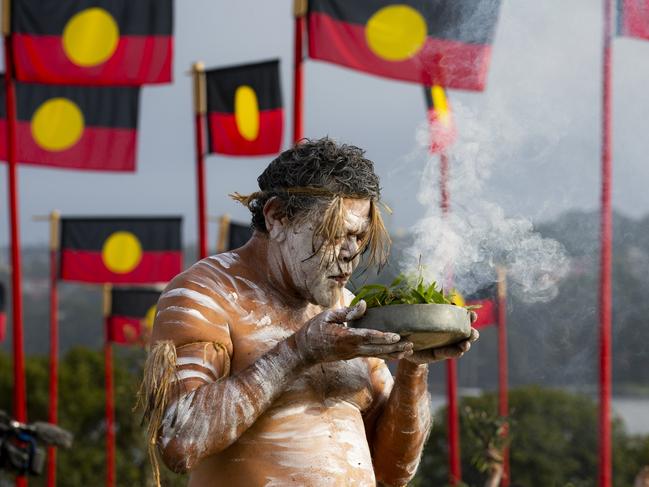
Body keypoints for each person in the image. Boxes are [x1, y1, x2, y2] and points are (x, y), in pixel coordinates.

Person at [140, 138, 479, 486]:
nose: (350, 253)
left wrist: (412, 364)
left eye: (359, 238)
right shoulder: (207, 292)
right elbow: (179, 442)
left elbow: (393, 473)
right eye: (333, 234)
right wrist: (299, 352)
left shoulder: (347, 305)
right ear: (277, 217)